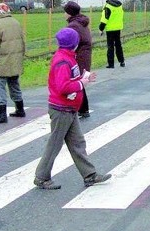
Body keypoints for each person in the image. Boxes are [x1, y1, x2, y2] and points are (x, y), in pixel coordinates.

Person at [34, 28, 111, 189]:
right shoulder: (63, 61)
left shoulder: (67, 57)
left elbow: (69, 80)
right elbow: (63, 87)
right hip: (61, 109)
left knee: (77, 143)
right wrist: (81, 83)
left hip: (69, 108)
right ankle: (41, 177)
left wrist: (83, 78)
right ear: (74, 44)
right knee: (55, 144)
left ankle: (89, 175)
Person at [0, 3, 26, 123]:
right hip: (16, 59)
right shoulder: (16, 23)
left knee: (0, 85)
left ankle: (1, 113)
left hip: (2, 61)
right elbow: (23, 42)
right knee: (14, 84)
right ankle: (20, 108)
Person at [63, 1, 93, 118]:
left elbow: (71, 43)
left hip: (78, 57)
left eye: (65, 12)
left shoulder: (73, 25)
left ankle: (82, 109)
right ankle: (82, 109)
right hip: (84, 56)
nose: (64, 14)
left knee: (76, 82)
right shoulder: (81, 22)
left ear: (69, 13)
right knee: (79, 81)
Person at [98, 0, 125, 68]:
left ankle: (111, 63)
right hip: (118, 28)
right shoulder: (119, 6)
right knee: (118, 45)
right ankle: (122, 61)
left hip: (110, 29)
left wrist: (101, 29)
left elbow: (104, 19)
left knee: (110, 46)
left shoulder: (107, 6)